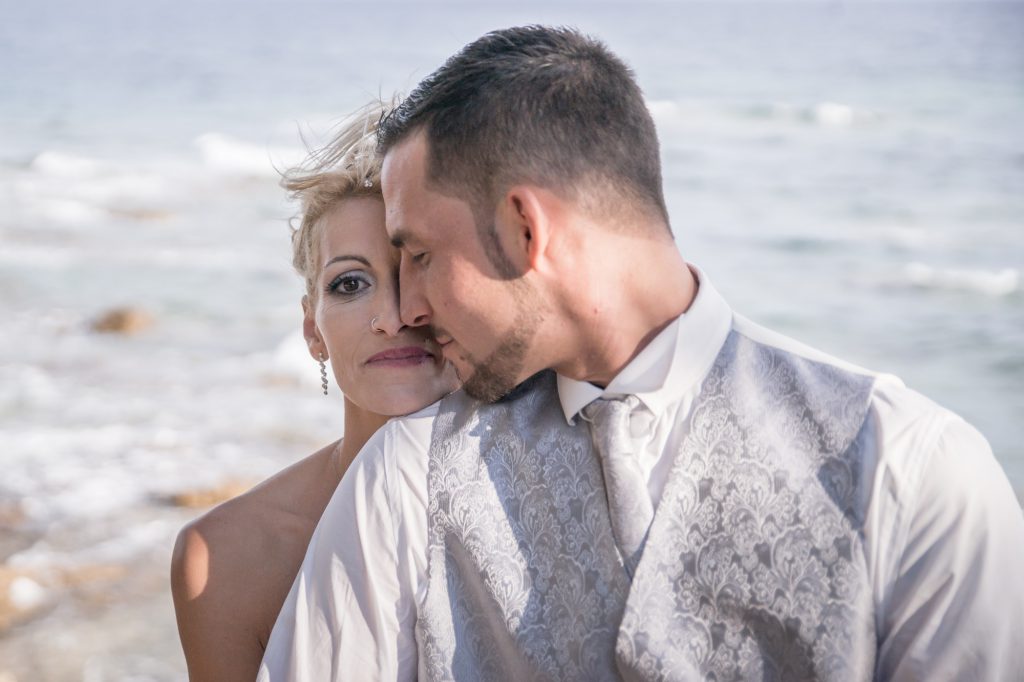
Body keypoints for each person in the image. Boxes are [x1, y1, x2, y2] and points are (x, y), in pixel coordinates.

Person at [259, 27, 1024, 681]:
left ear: (526, 229)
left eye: (419, 253)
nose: (412, 308)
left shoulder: (912, 469)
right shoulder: (407, 478)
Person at [170, 101, 458, 682]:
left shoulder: (553, 487)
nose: (392, 316)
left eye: (415, 270)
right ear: (312, 330)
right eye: (350, 284)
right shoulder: (221, 558)